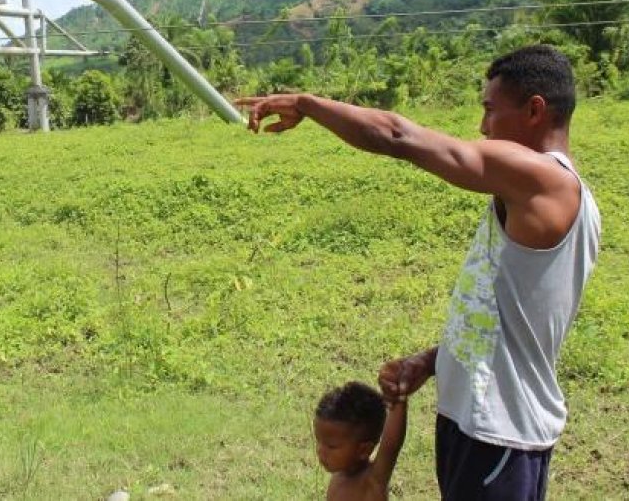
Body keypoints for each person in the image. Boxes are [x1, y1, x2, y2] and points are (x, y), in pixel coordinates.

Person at [238, 45, 600, 500]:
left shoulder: (546, 183)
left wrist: (307, 104)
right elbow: (513, 321)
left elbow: (397, 136)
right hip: (479, 427)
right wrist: (433, 361)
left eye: (490, 110)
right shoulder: (543, 194)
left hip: (499, 436)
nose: (482, 127)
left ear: (535, 111)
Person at [313, 381, 407, 500]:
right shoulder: (339, 474)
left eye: (331, 446)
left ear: (364, 450)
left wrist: (399, 398)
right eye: (319, 441)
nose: (320, 450)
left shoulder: (373, 481)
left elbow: (391, 446)